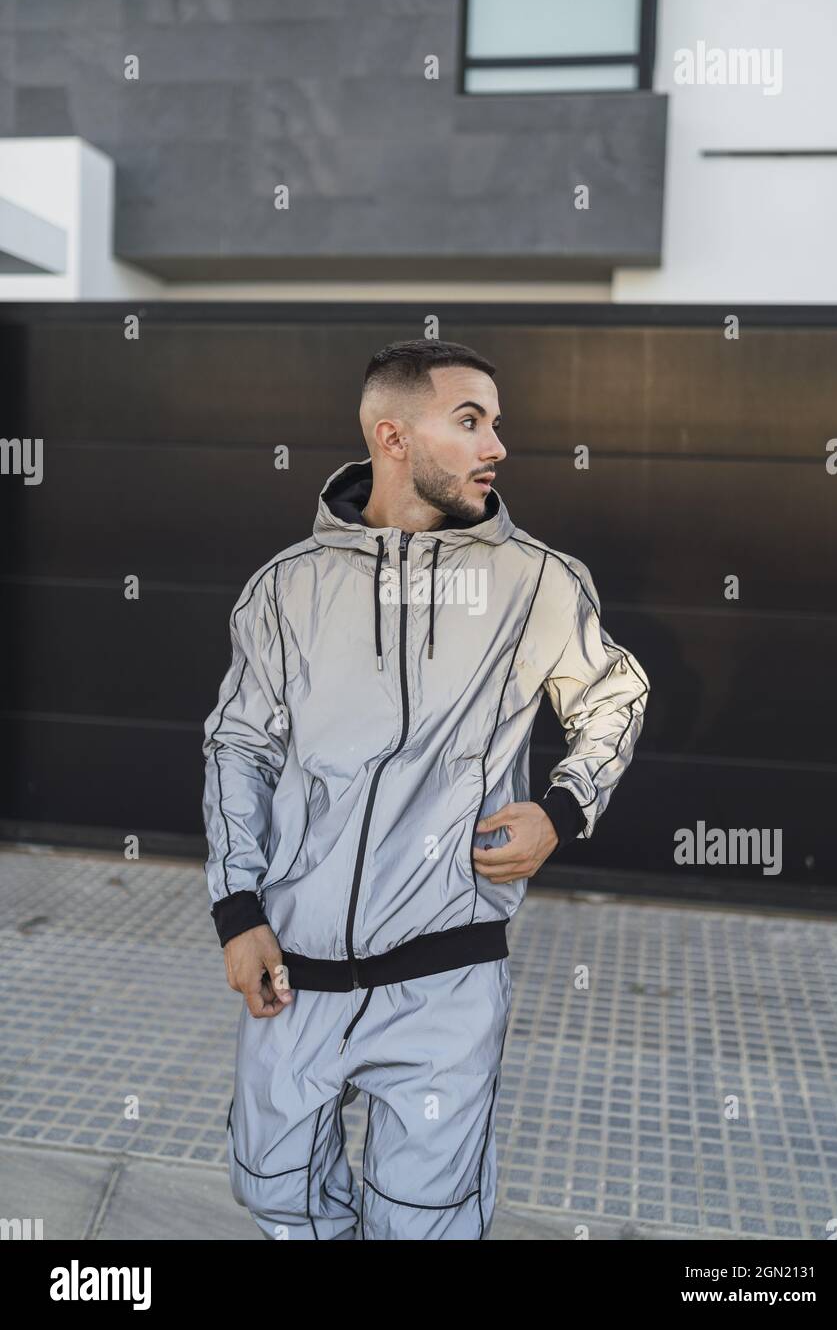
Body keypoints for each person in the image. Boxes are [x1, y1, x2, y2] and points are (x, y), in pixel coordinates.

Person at [202, 338, 650, 1240]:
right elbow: (238, 749)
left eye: (497, 424)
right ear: (393, 436)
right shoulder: (286, 591)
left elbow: (614, 695)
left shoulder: (536, 582)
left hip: (447, 975)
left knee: (426, 1225)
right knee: (282, 1201)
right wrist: (236, 909)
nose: (498, 447)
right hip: (294, 976)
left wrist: (562, 809)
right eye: (471, 421)